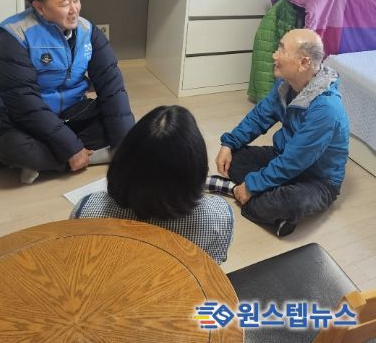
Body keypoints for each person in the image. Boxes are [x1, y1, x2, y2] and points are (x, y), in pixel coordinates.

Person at [0, 0, 135, 183]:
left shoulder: (88, 31)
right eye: (64, 4)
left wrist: (125, 147)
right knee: (10, 148)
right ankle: (83, 157)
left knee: (122, 123)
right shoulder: (15, 36)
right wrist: (71, 147)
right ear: (39, 7)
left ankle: (45, 163)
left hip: (73, 113)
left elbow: (112, 87)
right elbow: (24, 103)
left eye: (76, 0)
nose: (74, 10)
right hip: (28, 121)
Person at [209, 29, 349, 237]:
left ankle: (240, 192)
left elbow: (295, 160)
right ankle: (264, 201)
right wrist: (229, 143)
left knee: (289, 202)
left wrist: (252, 185)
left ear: (304, 63)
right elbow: (259, 117)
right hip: (283, 155)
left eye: (282, 50)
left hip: (317, 179)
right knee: (234, 158)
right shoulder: (286, 84)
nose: (274, 55)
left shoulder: (326, 108)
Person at [71, 105, 234, 264]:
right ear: (198, 168)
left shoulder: (86, 211)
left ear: (122, 160)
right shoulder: (219, 218)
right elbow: (211, 271)